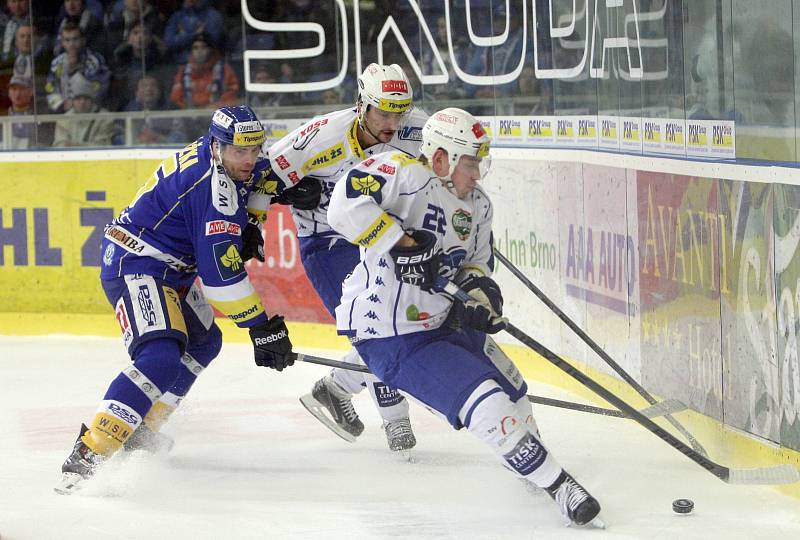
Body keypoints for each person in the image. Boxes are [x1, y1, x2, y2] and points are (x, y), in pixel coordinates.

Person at [325, 107, 602, 526]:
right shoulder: (403, 174)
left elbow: (476, 264)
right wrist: (401, 241)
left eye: (478, 163)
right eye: (470, 163)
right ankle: (557, 485)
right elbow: (342, 207)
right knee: (486, 400)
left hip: (441, 319)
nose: (477, 174)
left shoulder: (478, 206)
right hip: (391, 331)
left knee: (513, 388)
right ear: (441, 159)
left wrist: (479, 295)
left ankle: (526, 462)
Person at [56, 105, 295, 494]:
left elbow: (264, 175)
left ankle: (143, 428)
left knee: (204, 341)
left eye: (253, 149)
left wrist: (252, 221)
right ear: (217, 146)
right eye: (240, 151)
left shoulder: (226, 158)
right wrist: (262, 329)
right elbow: (221, 281)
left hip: (172, 270)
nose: (249, 159)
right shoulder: (211, 189)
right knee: (161, 357)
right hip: (137, 265)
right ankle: (90, 451)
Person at [245, 63, 427, 452]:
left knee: (404, 321)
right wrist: (268, 211)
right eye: (383, 112)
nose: (393, 122)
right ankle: (395, 419)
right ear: (361, 104)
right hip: (327, 241)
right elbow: (262, 179)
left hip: (382, 236)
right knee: (372, 325)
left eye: (401, 112)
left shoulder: (416, 130)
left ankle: (336, 388)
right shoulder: (321, 135)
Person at [52, 73, 117, 147]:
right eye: (78, 98)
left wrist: (77, 146)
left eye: (86, 98)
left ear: (92, 100)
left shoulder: (105, 118)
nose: (82, 102)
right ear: (72, 101)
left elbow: (102, 145)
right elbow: (58, 144)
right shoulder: (64, 120)